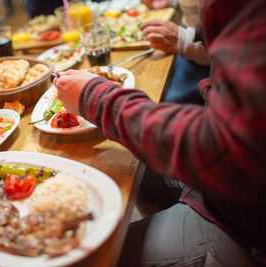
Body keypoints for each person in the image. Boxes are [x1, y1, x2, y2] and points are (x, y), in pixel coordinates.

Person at [53, 0, 266, 265]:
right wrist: (193, 35)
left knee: (87, 257)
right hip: (223, 190)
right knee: (122, 163)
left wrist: (95, 97)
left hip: (244, 224)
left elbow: (222, 149)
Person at [141, 0, 210, 105]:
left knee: (160, 104)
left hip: (211, 68)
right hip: (188, 56)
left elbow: (226, 40)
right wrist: (170, 2)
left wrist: (183, 39)